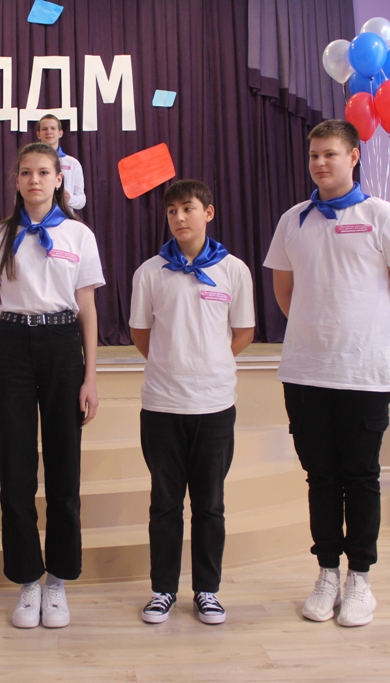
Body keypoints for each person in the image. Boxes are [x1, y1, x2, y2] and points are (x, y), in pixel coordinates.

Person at [263, 120, 390, 628]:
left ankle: (361, 580)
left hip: (363, 376)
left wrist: (375, 337)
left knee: (361, 476)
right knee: (321, 478)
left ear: (353, 157)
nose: (319, 163)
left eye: (329, 154)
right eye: (313, 155)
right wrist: (318, 331)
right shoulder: (293, 220)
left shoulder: (382, 216)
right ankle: (327, 573)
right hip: (306, 372)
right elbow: (285, 292)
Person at [0, 141, 104, 629]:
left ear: (58, 179)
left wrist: (90, 374)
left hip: (62, 345)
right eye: (26, 173)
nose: (34, 180)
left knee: (65, 470)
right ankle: (28, 578)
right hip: (11, 347)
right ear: (16, 180)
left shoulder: (79, 234)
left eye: (43, 172)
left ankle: (58, 580)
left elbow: (87, 309)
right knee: (15, 471)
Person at [129, 179, 255, 625]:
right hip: (162, 406)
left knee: (209, 505)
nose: (179, 218)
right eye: (172, 211)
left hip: (215, 406)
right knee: (164, 504)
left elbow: (243, 331)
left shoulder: (234, 270)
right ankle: (163, 588)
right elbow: (140, 333)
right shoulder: (150, 272)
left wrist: (210, 363)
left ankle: (207, 590)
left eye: (188, 208)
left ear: (208, 213)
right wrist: (173, 364)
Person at [36, 114, 86, 210]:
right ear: (38, 134)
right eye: (44, 129)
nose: (49, 132)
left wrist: (69, 198)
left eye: (53, 128)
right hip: (38, 215)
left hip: (64, 217)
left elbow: (81, 200)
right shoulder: (32, 162)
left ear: (60, 133)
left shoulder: (72, 163)